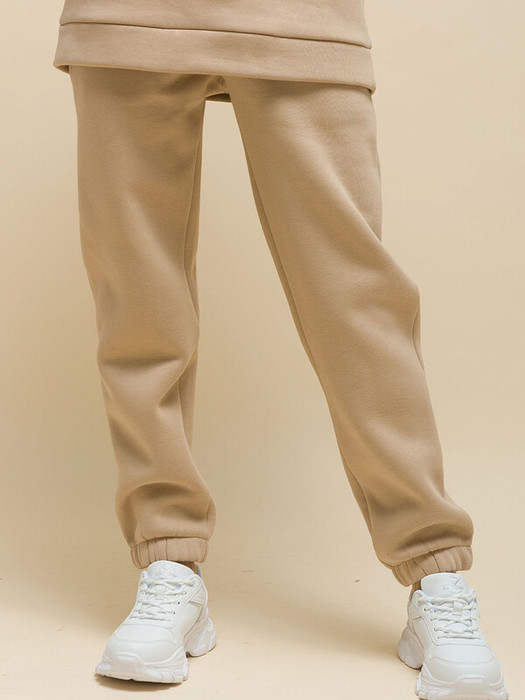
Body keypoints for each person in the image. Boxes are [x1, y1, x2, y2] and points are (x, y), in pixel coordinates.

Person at [52, 1, 509, 697]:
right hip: (127, 14)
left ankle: (434, 568)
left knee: (356, 301)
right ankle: (168, 558)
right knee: (138, 302)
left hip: (300, 14)